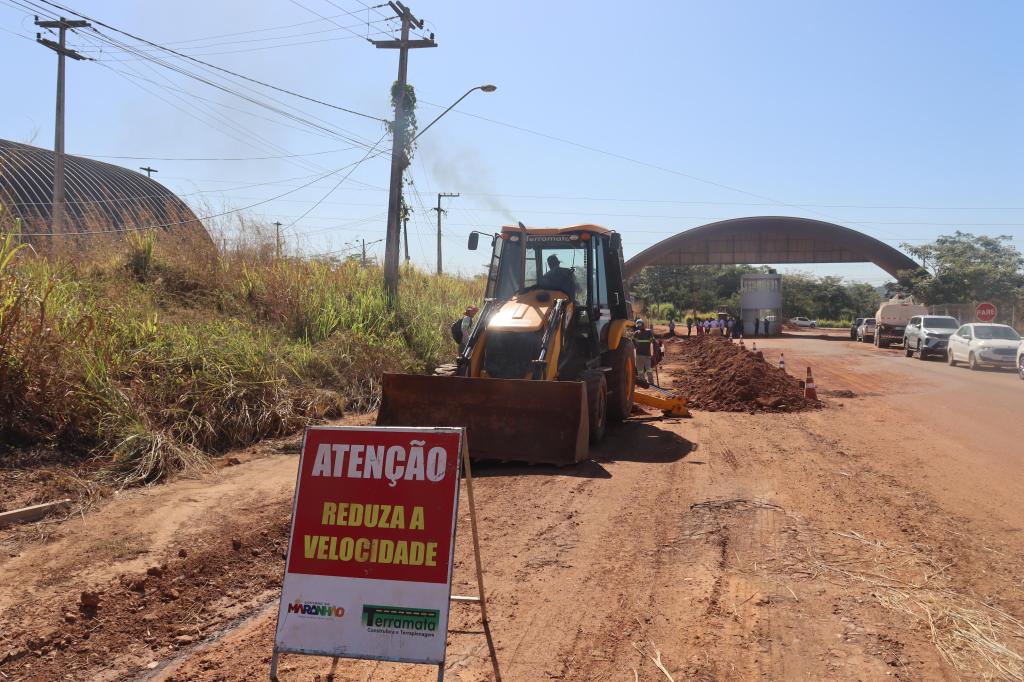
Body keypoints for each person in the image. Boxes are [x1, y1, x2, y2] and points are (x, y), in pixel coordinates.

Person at [633, 318, 655, 384]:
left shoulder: (648, 332)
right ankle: (642, 382)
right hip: (638, 355)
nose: (639, 328)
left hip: (646, 355)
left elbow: (653, 341)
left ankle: (651, 382)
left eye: (640, 326)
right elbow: (632, 341)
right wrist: (635, 345)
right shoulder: (636, 333)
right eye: (638, 327)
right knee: (640, 370)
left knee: (648, 370)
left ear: (643, 325)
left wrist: (655, 352)